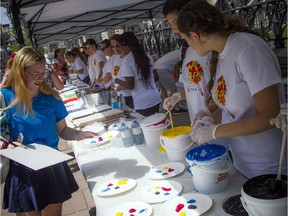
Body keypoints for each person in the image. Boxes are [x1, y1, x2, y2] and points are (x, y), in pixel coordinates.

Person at [177, 0, 286, 178]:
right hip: (241, 159)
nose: (188, 45)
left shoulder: (248, 49)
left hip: (268, 163)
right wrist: (208, 112)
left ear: (194, 35)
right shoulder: (221, 52)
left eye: (185, 39)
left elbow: (269, 116)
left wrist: (214, 131)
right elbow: (232, 98)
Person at [1, 46, 98, 215]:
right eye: (34, 74)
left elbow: (62, 131)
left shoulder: (52, 97)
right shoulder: (5, 97)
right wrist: (7, 146)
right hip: (23, 170)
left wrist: (77, 134)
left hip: (50, 166)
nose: (40, 79)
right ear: (19, 71)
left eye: (43, 73)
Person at [162, 0, 213, 124]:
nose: (173, 30)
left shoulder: (213, 46)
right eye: (170, 24)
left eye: (175, 21)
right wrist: (177, 97)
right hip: (196, 121)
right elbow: (192, 86)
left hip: (219, 124)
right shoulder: (185, 48)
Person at [115, 32, 161, 116]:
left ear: (125, 46)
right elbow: (156, 77)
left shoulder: (127, 60)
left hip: (142, 102)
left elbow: (130, 85)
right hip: (155, 97)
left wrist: (117, 80)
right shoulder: (147, 55)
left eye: (119, 46)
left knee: (147, 126)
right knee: (157, 123)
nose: (120, 49)